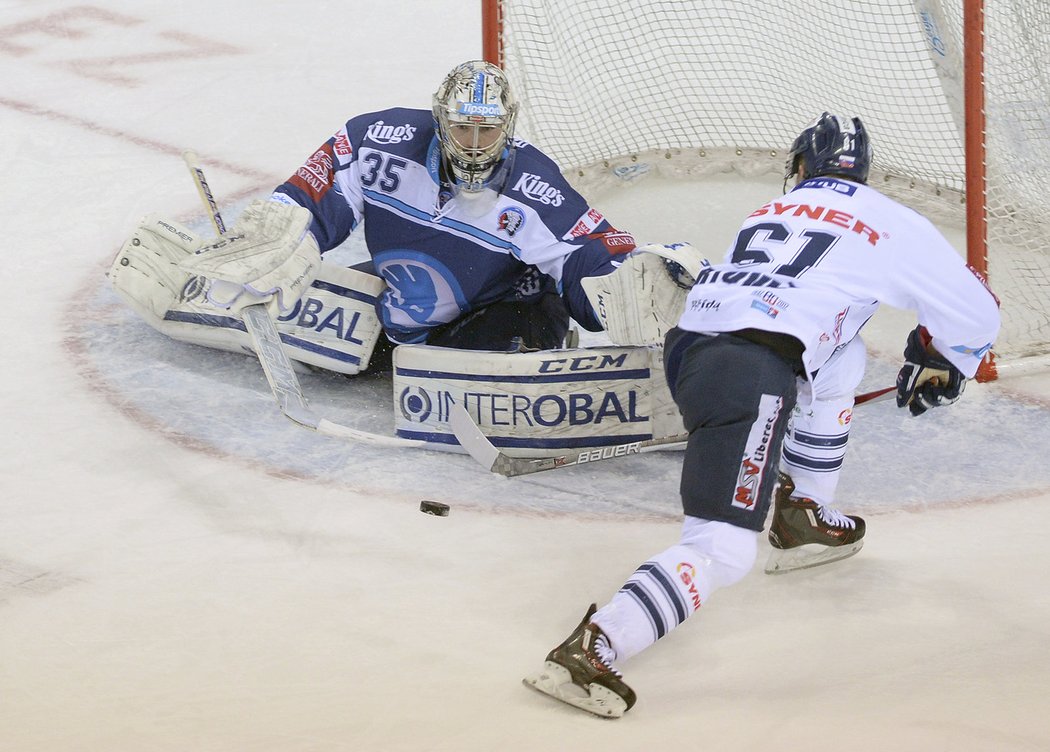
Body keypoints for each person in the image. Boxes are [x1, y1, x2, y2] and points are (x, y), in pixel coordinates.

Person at [522, 112, 1001, 718]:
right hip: (748, 376)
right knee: (723, 549)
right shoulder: (888, 220)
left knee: (844, 359)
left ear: (801, 168)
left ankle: (802, 515)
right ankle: (598, 643)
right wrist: (942, 356)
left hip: (697, 349)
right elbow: (978, 312)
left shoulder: (773, 211)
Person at [268, 58, 639, 365]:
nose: (475, 145)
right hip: (403, 299)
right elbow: (311, 196)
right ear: (440, 119)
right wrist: (275, 239)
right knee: (296, 313)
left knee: (495, 372)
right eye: (463, 127)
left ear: (507, 125)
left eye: (488, 130)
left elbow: (586, 252)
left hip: (505, 309)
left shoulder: (533, 183)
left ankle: (535, 346)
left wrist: (631, 285)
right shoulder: (377, 139)